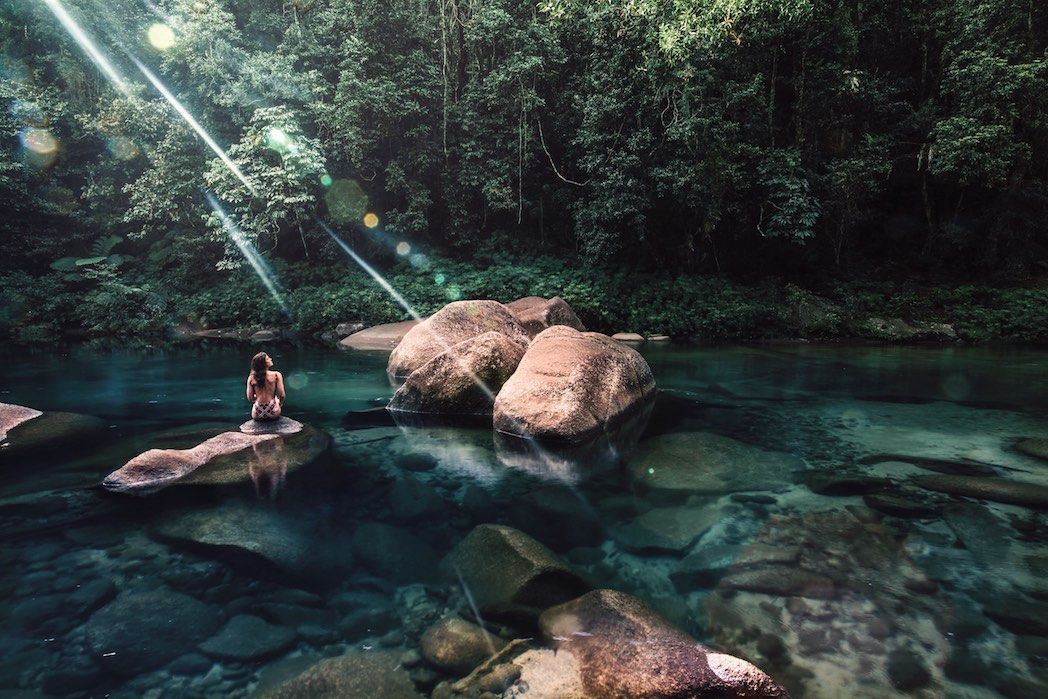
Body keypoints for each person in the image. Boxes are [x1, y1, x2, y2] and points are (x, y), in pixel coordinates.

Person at [247, 352, 285, 421]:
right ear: (264, 363)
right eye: (268, 358)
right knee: (276, 398)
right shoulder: (276, 375)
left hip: (258, 413)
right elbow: (282, 395)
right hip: (273, 411)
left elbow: (250, 398)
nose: (271, 359)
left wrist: (258, 398)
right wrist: (280, 403)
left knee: (256, 403)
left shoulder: (251, 377)